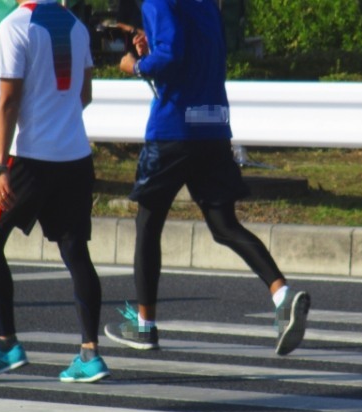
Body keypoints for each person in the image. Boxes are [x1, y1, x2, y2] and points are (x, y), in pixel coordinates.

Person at [104, 0, 311, 356]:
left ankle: (144, 326)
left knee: (148, 224)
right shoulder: (207, 5)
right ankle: (281, 294)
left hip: (174, 129)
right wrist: (152, 49)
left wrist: (137, 65)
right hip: (212, 124)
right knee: (224, 225)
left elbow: (170, 57)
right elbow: (196, 55)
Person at [0, 0, 110, 382]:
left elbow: (9, 101)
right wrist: (59, 122)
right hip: (76, 159)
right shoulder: (76, 26)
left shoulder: (15, 26)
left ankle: (6, 342)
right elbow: (85, 95)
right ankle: (90, 354)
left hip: (26, 162)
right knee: (76, 251)